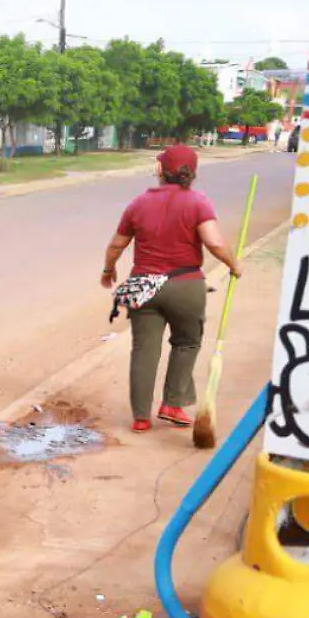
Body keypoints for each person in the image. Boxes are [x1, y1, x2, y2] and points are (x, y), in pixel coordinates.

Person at [99, 145, 242, 434]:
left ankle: (141, 417)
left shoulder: (138, 204)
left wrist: (108, 269)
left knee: (144, 351)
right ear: (193, 172)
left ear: (160, 170)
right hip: (185, 285)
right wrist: (233, 264)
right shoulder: (198, 202)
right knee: (187, 342)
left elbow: (117, 244)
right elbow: (213, 242)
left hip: (145, 288)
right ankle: (173, 404)